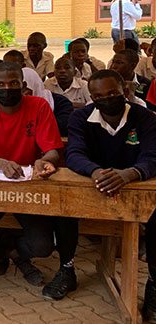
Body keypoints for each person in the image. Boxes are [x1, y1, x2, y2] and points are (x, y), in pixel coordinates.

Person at [0, 62, 77, 300]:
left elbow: (53, 150)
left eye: (13, 83)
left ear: (23, 85)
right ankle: (2, 254)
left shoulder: (39, 106)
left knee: (43, 246)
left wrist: (43, 160)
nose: (7, 88)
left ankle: (16, 252)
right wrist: (1, 164)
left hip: (28, 184)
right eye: (1, 84)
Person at [66, 70, 156, 319]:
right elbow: (74, 154)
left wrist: (129, 174)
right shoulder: (80, 118)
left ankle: (154, 285)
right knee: (63, 208)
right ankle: (66, 269)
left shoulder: (145, 118)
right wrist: (94, 171)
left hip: (135, 185)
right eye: (99, 95)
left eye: (112, 93)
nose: (106, 99)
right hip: (96, 185)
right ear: (92, 97)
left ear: (125, 92)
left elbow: (152, 156)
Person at [23, 67, 73, 137]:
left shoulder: (60, 102)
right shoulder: (10, 104)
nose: (23, 94)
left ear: (35, 86)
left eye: (26, 89)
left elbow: (62, 127)